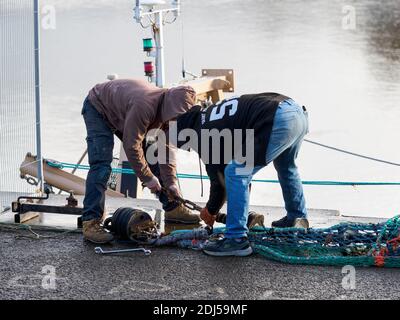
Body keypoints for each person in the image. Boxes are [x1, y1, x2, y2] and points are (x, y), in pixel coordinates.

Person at [173, 93, 309, 256]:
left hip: (277, 118)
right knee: (286, 167)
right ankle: (297, 218)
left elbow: (219, 182)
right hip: (296, 111)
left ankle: (236, 239)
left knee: (236, 172)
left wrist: (210, 210)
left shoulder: (203, 134)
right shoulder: (211, 116)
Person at [81, 79, 200, 244]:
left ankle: (173, 208)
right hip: (98, 108)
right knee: (101, 165)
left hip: (124, 112)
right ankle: (90, 222)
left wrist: (171, 183)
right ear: (170, 107)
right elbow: (131, 146)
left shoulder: (170, 115)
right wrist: (147, 178)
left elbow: (166, 151)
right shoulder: (144, 106)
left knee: (153, 154)